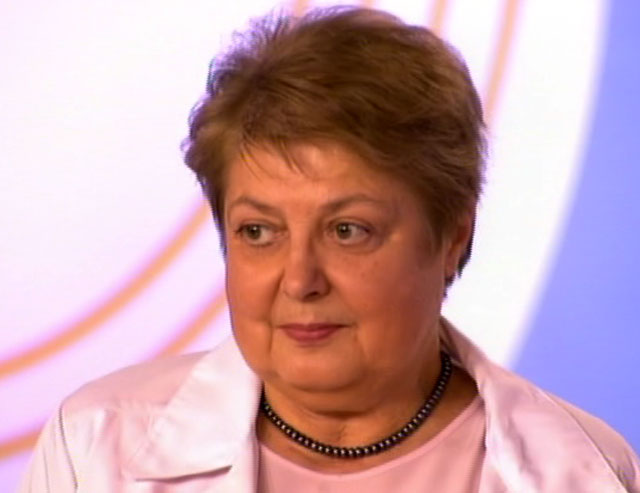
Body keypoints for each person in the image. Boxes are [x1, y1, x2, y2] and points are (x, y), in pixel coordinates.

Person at [20, 6, 640, 492]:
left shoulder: (583, 471)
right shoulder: (96, 450)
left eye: (347, 230)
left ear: (453, 237)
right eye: (258, 232)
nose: (299, 280)